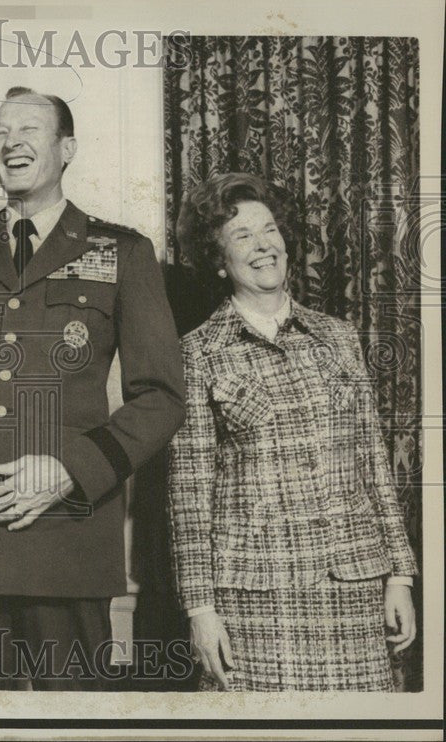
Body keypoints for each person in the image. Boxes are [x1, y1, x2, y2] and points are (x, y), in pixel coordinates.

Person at [0, 87, 185, 689]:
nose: (12, 142)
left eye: (30, 130)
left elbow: (162, 398)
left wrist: (73, 470)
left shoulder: (122, 251)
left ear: (66, 148)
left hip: (67, 545)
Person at [167, 172, 418, 691]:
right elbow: (189, 496)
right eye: (242, 236)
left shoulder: (338, 338)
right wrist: (200, 608)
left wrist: (399, 574)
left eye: (270, 230)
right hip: (255, 600)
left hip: (356, 586)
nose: (263, 246)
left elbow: (374, 462)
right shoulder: (196, 354)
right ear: (218, 260)